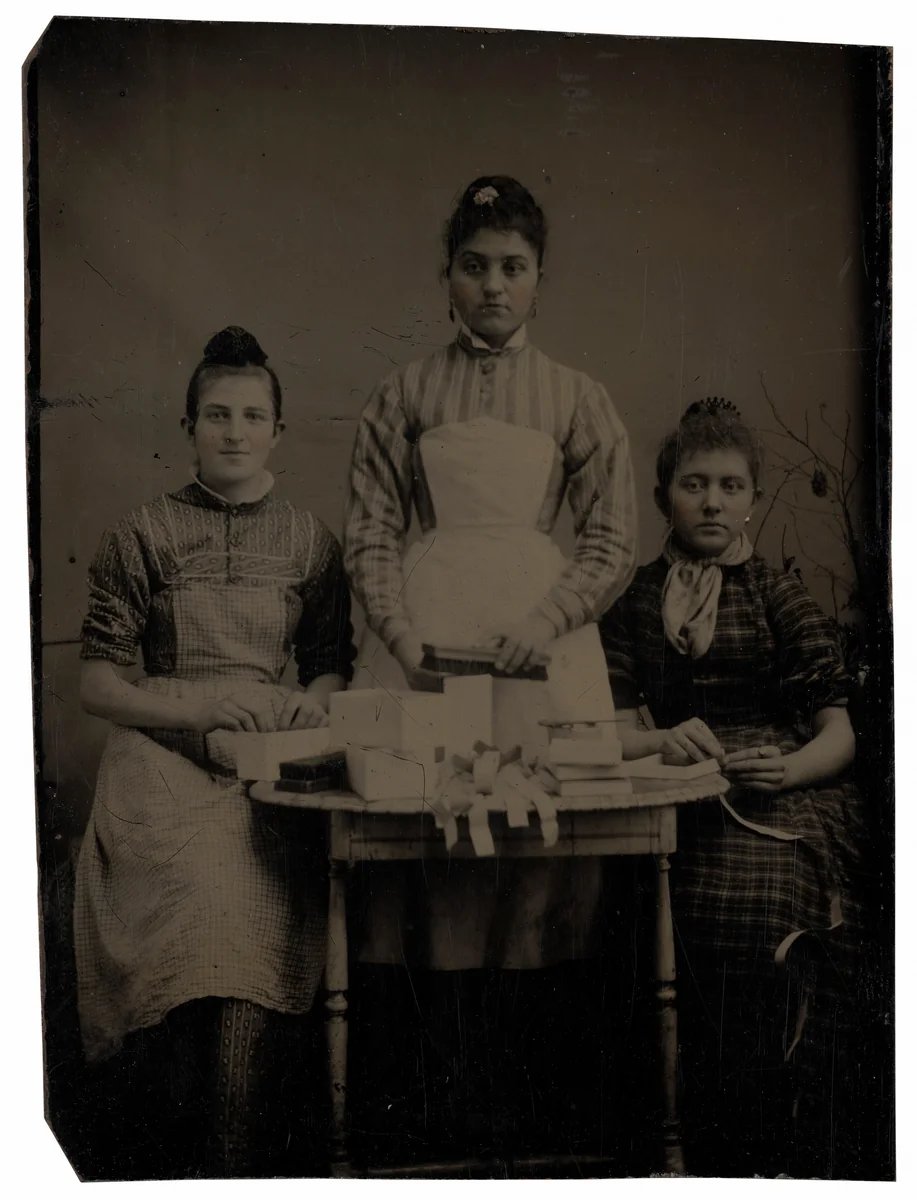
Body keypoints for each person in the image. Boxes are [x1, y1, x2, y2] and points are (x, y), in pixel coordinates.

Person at [342, 176, 637, 1157]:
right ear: (446, 279)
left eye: (512, 268)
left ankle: (537, 1109)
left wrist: (547, 623)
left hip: (539, 644)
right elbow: (373, 532)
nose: (492, 286)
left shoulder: (576, 398)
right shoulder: (402, 393)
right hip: (431, 637)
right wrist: (400, 635)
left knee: (541, 857)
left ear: (538, 281)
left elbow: (608, 539)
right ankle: (431, 1107)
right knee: (425, 851)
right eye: (474, 267)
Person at [73, 327, 356, 1178]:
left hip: (267, 756)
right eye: (216, 415)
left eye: (252, 416)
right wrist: (194, 706)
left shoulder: (310, 542)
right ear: (190, 425)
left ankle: (229, 1165)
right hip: (158, 758)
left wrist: (315, 704)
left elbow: (331, 664)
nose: (234, 432)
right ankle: (192, 1159)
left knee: (259, 917)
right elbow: (96, 685)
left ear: (277, 429)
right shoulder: (144, 534)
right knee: (204, 908)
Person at [599, 398, 869, 1177]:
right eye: (692, 484)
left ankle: (759, 1137)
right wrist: (658, 739)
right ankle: (667, 1138)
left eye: (729, 485)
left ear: (751, 497)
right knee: (634, 915)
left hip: (784, 795)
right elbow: (607, 728)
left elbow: (838, 734)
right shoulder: (636, 601)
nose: (711, 502)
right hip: (672, 788)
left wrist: (786, 768)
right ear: (662, 498)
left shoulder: (776, 596)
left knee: (753, 912)